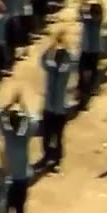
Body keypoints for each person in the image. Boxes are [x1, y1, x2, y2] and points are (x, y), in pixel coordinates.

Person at [0, 94, 39, 213]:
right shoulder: (23, 135)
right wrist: (21, 104)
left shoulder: (11, 134)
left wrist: (12, 103)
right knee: (14, 204)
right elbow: (33, 120)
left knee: (14, 204)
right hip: (18, 177)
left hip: (13, 177)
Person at [39, 36, 76, 171]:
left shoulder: (64, 70)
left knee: (58, 137)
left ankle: (57, 159)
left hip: (59, 110)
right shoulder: (51, 67)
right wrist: (53, 45)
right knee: (47, 136)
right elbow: (43, 58)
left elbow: (73, 59)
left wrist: (65, 44)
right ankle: (47, 156)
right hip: (50, 108)